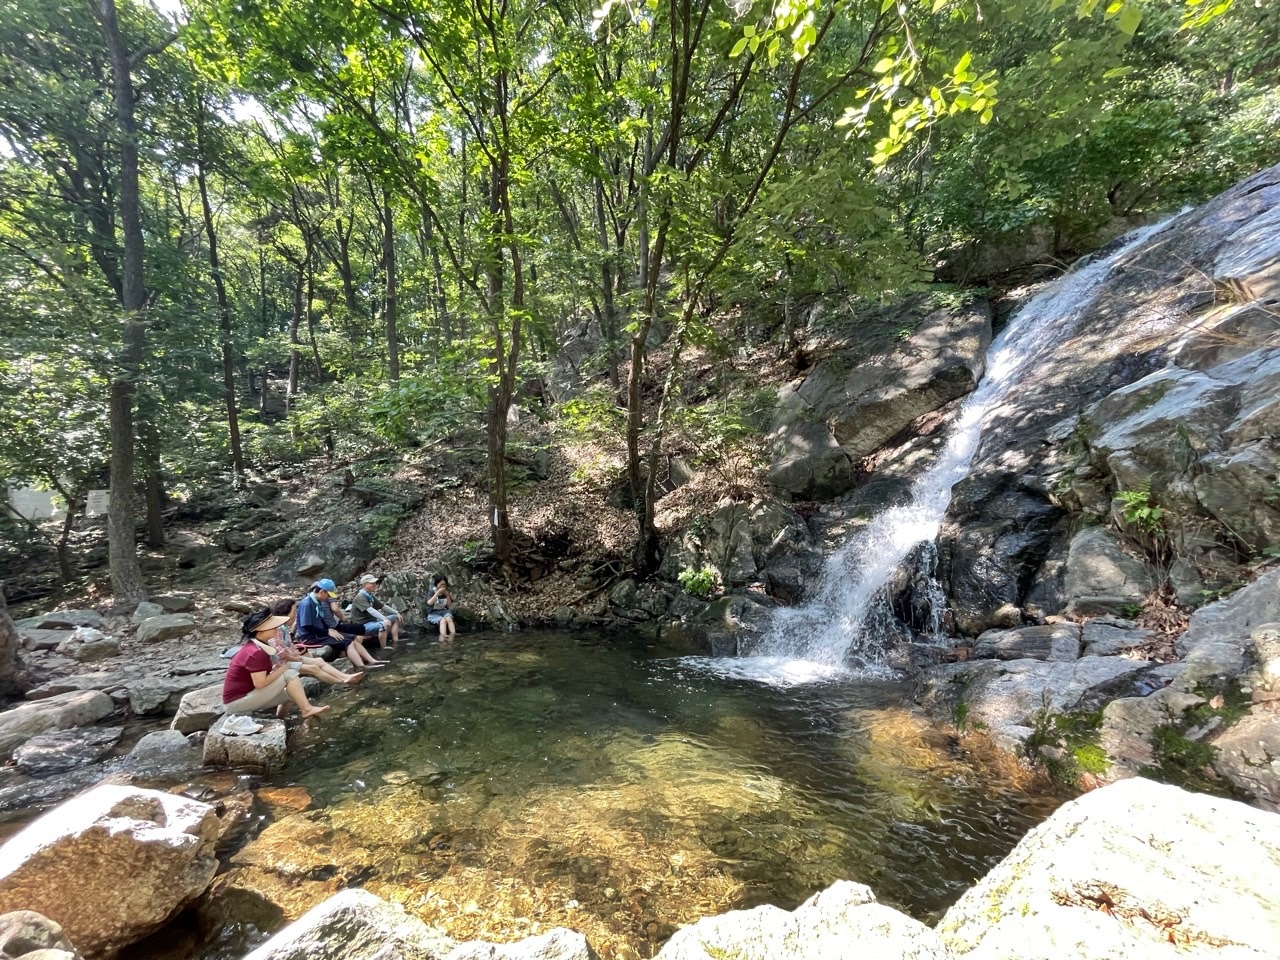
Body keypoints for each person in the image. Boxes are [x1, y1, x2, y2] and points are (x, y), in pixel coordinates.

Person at [222, 611, 330, 719]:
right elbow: (260, 683)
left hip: (244, 696)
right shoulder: (256, 652)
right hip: (236, 703)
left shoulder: (256, 646)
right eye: (272, 627)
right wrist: (285, 667)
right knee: (290, 674)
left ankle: (280, 719)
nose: (277, 628)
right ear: (259, 633)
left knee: (293, 696)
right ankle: (307, 709)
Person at [265, 599, 365, 686]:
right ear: (285, 613)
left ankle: (345, 676)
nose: (296, 614)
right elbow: (279, 653)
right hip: (282, 665)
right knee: (314, 668)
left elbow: (289, 646)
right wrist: (296, 658)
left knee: (319, 661)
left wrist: (297, 655)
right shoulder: (276, 629)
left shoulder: (284, 627)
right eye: (294, 611)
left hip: (291, 659)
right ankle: (342, 681)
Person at [295, 579, 389, 668]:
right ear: (322, 592)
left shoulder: (317, 601)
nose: (329, 597)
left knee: (352, 637)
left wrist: (329, 630)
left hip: (320, 633)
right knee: (347, 642)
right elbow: (306, 626)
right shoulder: (306, 604)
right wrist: (327, 632)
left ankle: (372, 660)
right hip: (312, 637)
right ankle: (361, 666)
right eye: (329, 595)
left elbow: (320, 620)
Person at [351, 574, 402, 647]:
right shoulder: (360, 597)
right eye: (372, 583)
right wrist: (384, 619)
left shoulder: (369, 596)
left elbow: (382, 606)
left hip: (372, 621)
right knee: (383, 625)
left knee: (396, 617)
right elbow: (371, 610)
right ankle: (384, 647)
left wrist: (396, 612)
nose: (375, 585)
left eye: (375, 583)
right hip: (362, 625)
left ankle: (396, 642)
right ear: (364, 584)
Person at [424, 574, 456, 639]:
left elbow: (449, 606)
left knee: (449, 619)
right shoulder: (432, 592)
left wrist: (447, 596)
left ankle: (453, 635)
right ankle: (443, 636)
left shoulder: (446, 592)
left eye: (444, 585)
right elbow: (429, 603)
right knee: (443, 620)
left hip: (444, 611)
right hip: (433, 613)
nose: (443, 586)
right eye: (441, 584)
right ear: (437, 584)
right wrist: (437, 593)